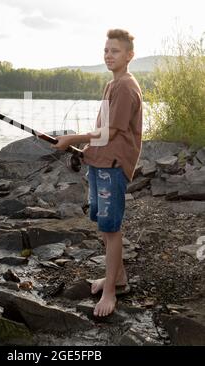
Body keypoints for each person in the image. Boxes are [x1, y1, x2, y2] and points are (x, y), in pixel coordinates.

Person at [52, 28, 143, 317]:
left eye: (114, 51)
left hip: (113, 166)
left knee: (111, 229)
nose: (108, 55)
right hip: (100, 162)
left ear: (129, 55)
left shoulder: (126, 87)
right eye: (106, 50)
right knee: (103, 224)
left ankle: (110, 293)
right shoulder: (111, 84)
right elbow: (103, 134)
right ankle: (118, 278)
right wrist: (86, 149)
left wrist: (72, 138)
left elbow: (111, 130)